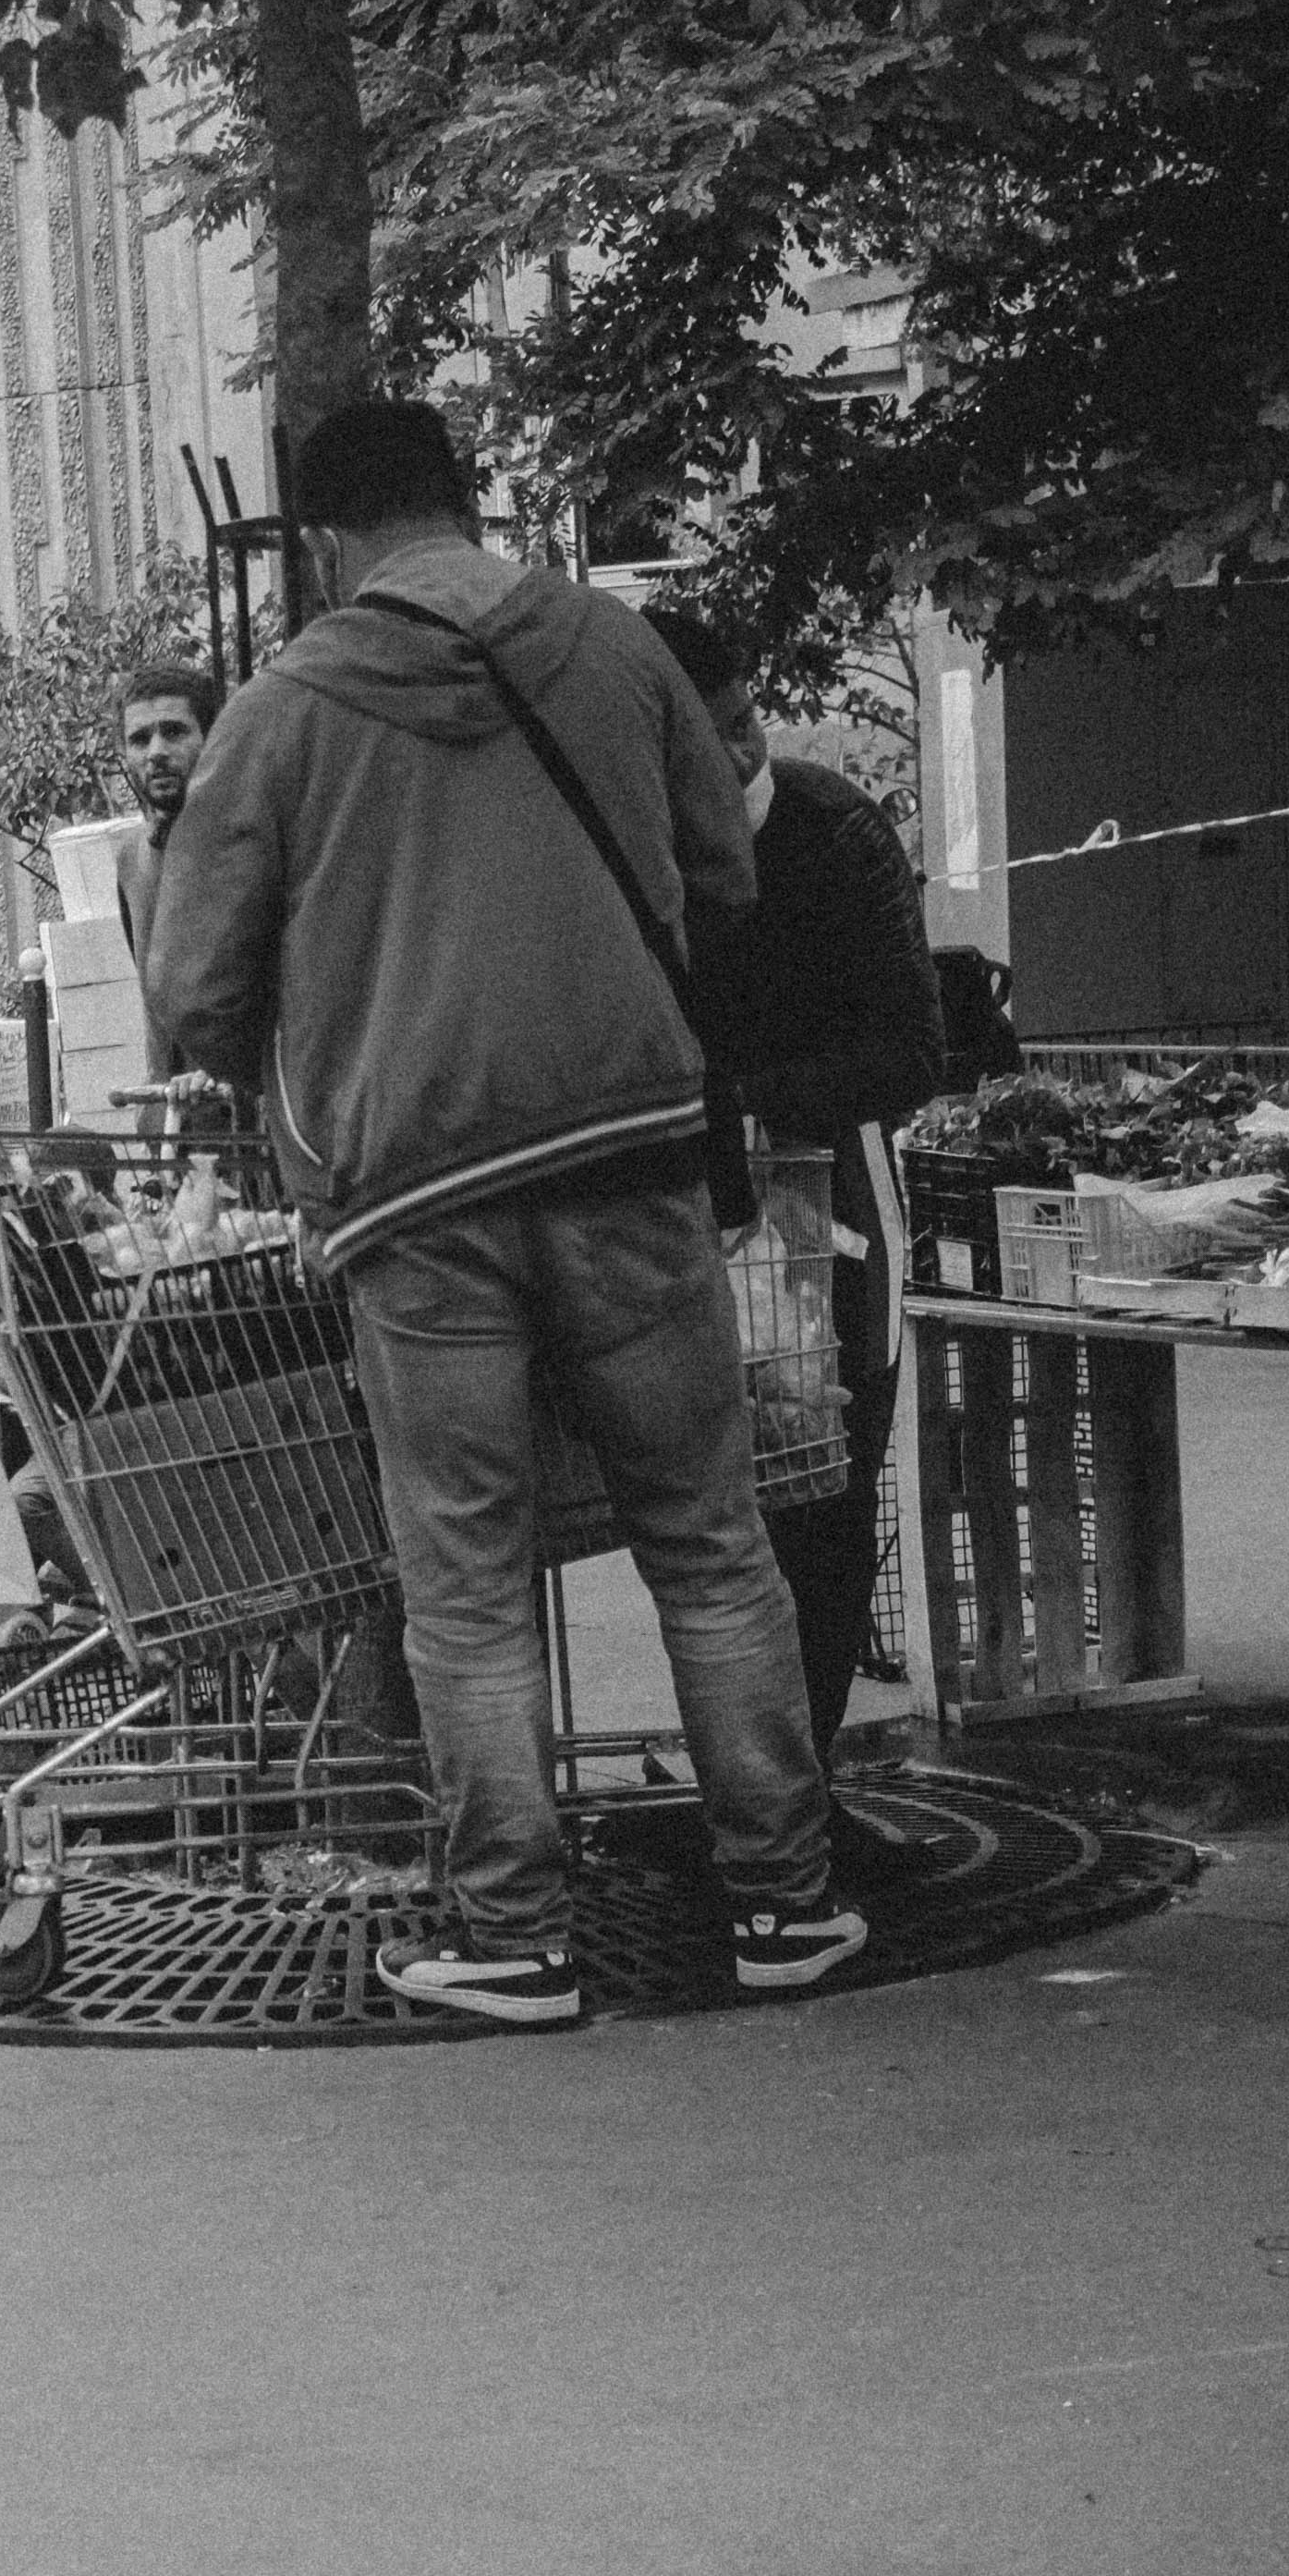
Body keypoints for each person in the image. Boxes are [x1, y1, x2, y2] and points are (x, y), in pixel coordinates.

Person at [144, 399, 847, 2025]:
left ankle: (514, 1938)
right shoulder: (609, 649)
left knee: (458, 1572)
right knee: (705, 1536)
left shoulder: (279, 711)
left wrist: (326, 1016)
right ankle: (785, 1902)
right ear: (464, 500)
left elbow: (189, 990)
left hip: (415, 1196)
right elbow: (721, 880)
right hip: (627, 1157)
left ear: (322, 539)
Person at [644, 602, 949, 1854]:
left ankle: (797, 1791)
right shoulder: (636, 848)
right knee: (711, 1521)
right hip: (679, 1222)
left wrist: (752, 1103)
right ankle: (755, 1795)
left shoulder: (829, 829)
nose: (733, 762)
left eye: (739, 733)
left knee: (822, 1507)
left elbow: (911, 1051)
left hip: (825, 1222)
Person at [109, 661, 229, 1086]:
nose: (156, 751)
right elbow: (154, 998)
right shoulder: (131, 860)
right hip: (173, 1112)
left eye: (174, 731)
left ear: (212, 736)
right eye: (139, 739)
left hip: (249, 1105)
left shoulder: (248, 843)